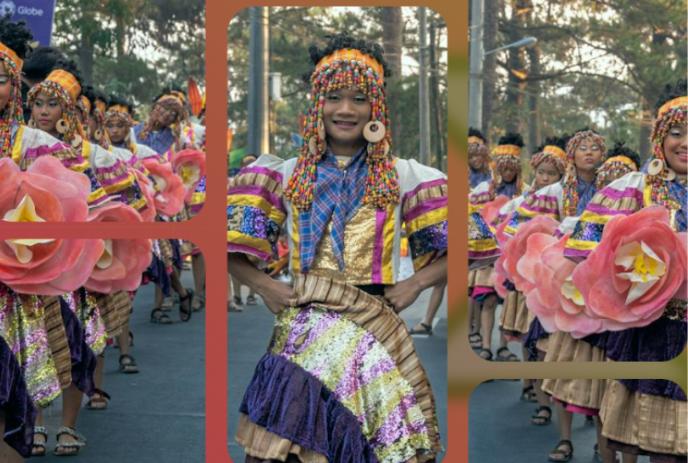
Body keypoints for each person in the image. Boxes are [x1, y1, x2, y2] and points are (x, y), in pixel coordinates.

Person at [228, 32, 446, 462]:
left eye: (359, 98)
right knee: (285, 446)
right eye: (333, 97)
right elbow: (226, 247)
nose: (345, 110)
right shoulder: (284, 173)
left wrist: (414, 286)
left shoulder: (405, 176)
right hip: (304, 329)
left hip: (375, 327)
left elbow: (463, 249)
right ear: (317, 104)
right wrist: (268, 288)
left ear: (375, 108)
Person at [564, 79, 687, 463]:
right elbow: (584, 253)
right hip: (656, 331)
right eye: (677, 132)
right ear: (659, 138)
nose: (685, 142)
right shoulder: (633, 189)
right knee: (659, 441)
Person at [469, 132, 529, 361]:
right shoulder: (483, 189)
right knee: (489, 299)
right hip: (488, 253)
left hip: (512, 255)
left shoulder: (526, 191)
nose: (508, 170)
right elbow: (472, 218)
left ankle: (503, 346)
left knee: (507, 301)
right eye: (503, 165)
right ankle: (486, 345)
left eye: (512, 166)